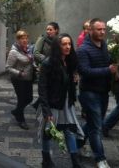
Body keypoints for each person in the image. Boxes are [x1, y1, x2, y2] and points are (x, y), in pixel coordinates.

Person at [77, 18, 117, 168]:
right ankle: (100, 158)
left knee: (95, 123)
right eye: (99, 29)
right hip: (89, 93)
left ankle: (75, 142)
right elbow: (85, 71)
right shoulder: (83, 50)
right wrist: (108, 70)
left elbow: (108, 62)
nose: (102, 32)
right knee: (96, 127)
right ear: (91, 31)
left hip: (103, 92)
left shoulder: (104, 45)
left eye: (104, 29)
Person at [39, 33, 84, 168]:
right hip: (53, 104)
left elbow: (68, 85)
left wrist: (74, 82)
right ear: (57, 46)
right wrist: (47, 112)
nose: (67, 47)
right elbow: (42, 89)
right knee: (48, 132)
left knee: (69, 130)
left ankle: (75, 162)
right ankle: (46, 159)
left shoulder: (70, 62)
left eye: (69, 44)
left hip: (66, 104)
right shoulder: (48, 63)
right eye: (64, 44)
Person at [6, 30, 34, 130]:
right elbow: (8, 67)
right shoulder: (13, 52)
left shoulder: (29, 49)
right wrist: (19, 73)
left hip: (28, 78)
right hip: (18, 79)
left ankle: (16, 111)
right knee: (21, 99)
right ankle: (21, 119)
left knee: (29, 98)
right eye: (22, 38)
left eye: (26, 38)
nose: (25, 40)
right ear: (18, 40)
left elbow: (31, 61)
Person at [32, 22, 60, 110]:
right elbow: (36, 53)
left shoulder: (59, 40)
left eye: (50, 29)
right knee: (45, 88)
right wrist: (47, 60)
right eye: (47, 29)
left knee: (51, 88)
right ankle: (41, 106)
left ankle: (38, 104)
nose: (48, 31)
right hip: (44, 68)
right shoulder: (42, 39)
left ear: (56, 30)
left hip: (55, 69)